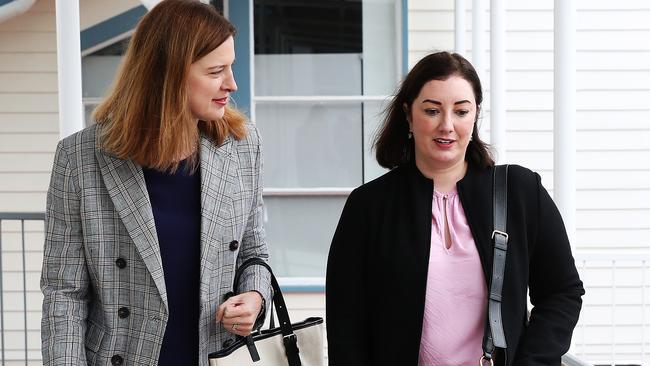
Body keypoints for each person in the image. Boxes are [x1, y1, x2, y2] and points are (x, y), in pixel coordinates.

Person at [40, 1, 271, 365]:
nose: (232, 83)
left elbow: (254, 252)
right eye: (216, 71)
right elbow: (64, 293)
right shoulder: (79, 158)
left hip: (216, 355)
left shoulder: (243, 146)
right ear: (169, 74)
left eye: (231, 67)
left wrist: (255, 296)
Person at [326, 51, 584, 365]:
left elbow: (562, 292)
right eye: (432, 110)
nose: (447, 125)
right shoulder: (367, 206)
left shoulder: (519, 190)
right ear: (408, 115)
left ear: (475, 116)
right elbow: (346, 325)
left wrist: (531, 361)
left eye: (461, 111)